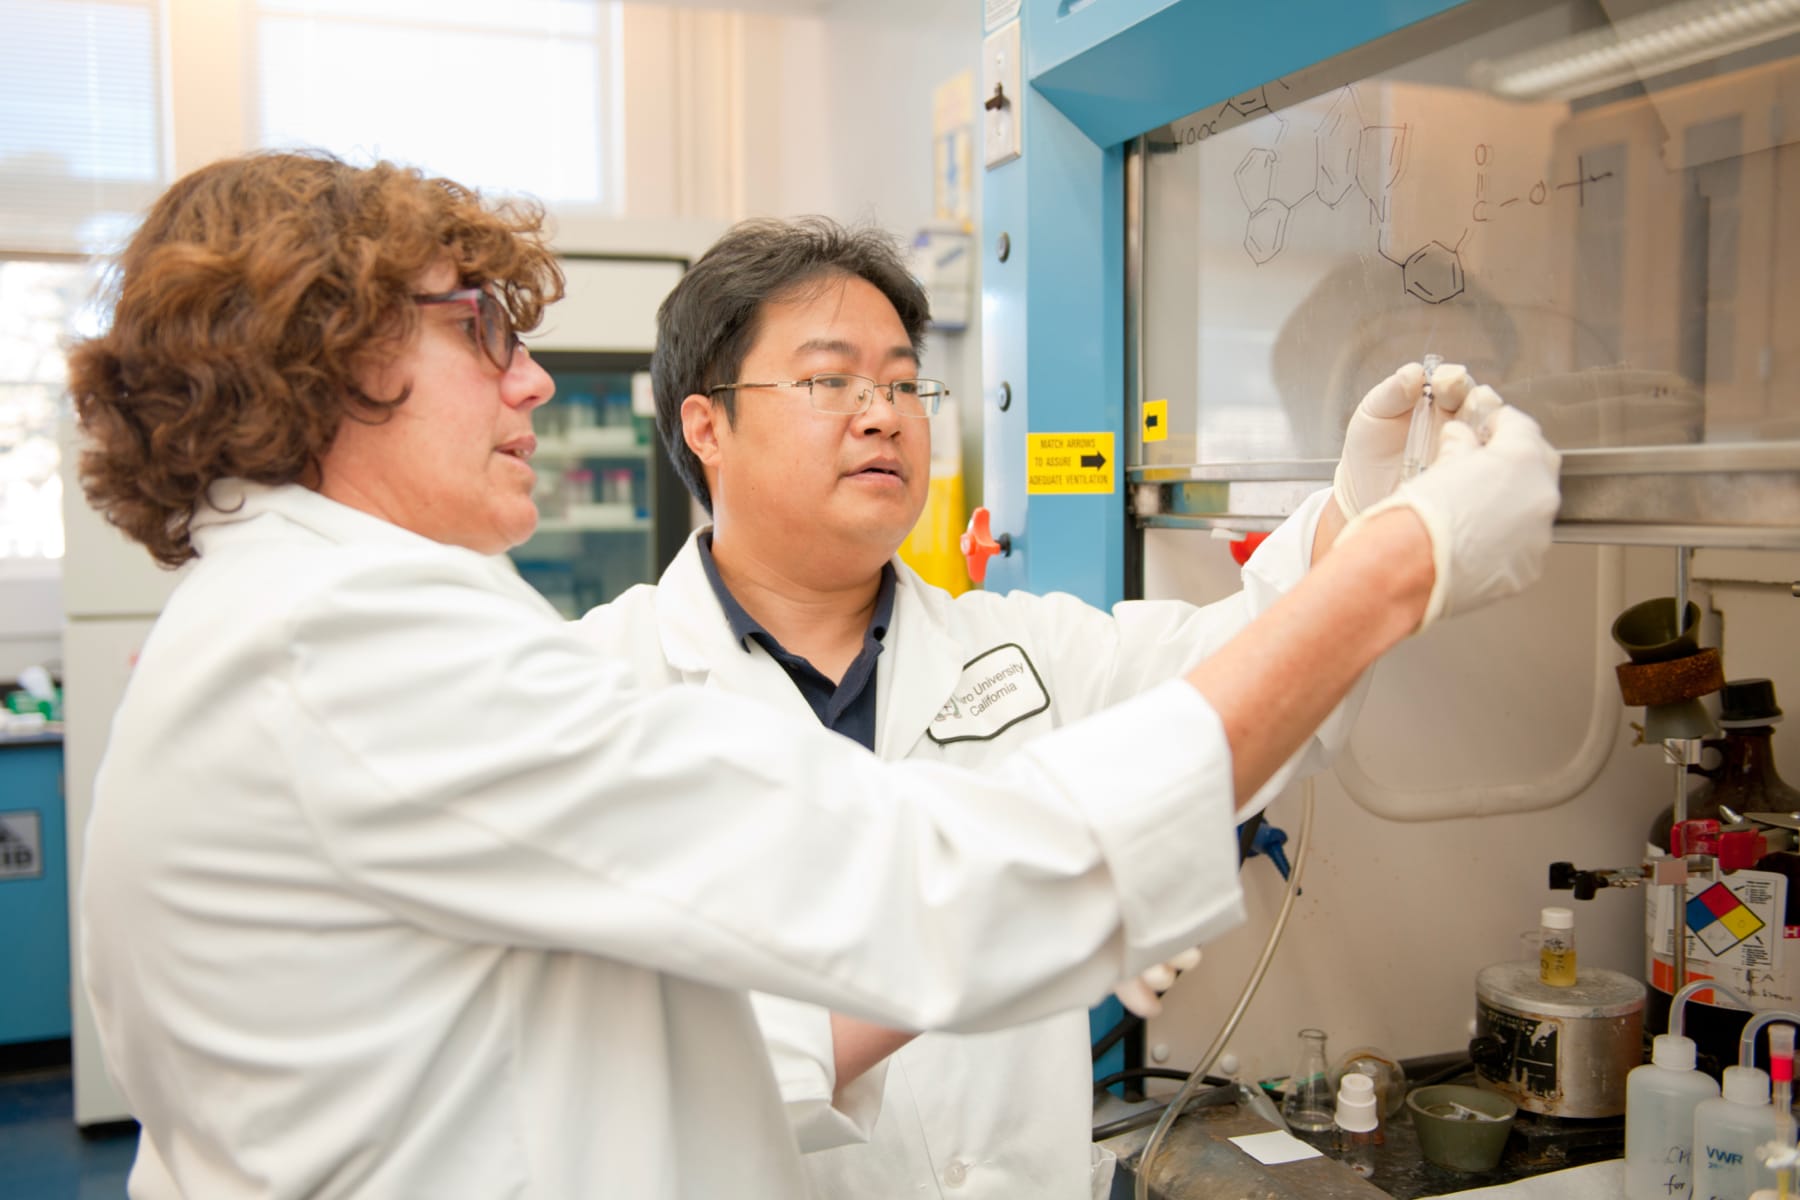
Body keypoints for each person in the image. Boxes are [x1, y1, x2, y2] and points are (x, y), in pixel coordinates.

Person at [66, 151, 1557, 1200]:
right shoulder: (365, 657)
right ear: (318, 360)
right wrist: (1401, 570)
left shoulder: (302, 635)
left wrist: (1346, 535)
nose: (529, 378)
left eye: (905, 382)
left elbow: (1216, 682)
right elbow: (937, 890)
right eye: (479, 330)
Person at [573, 216, 1559, 1198]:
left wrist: (1358, 510)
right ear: (707, 427)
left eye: (904, 383)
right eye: (831, 381)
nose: (882, 415)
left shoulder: (1022, 649)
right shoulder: (600, 693)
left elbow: (1247, 673)